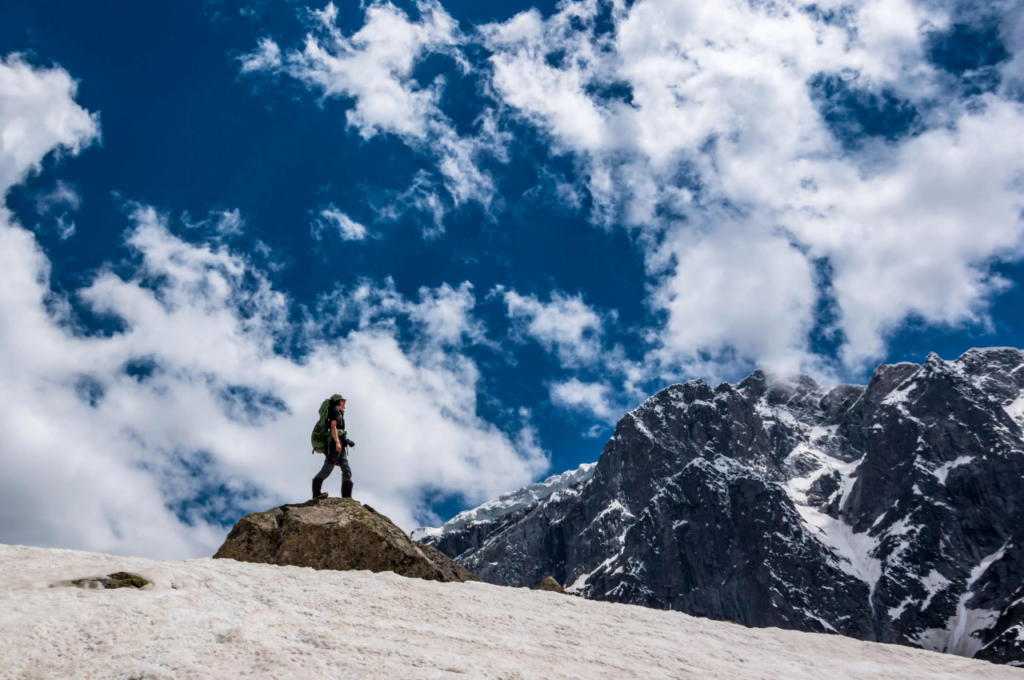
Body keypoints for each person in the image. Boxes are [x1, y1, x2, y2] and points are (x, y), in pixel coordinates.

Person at [312, 394, 355, 500]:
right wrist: (337, 442)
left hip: (340, 443)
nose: (344, 403)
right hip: (334, 444)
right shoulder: (335, 412)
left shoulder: (339, 412)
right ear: (339, 401)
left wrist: (346, 441)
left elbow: (339, 430)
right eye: (343, 401)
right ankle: (316, 493)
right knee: (328, 468)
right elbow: (333, 427)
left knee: (347, 470)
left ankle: (347, 497)